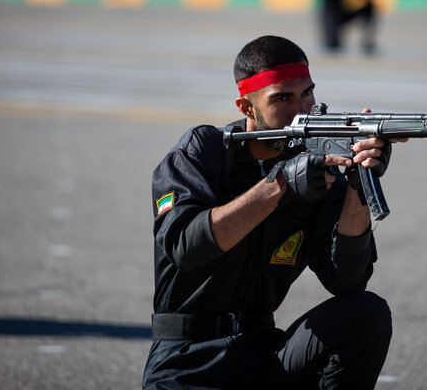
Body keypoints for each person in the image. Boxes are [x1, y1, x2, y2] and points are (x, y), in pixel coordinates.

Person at [142, 35, 399, 389]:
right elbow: (188, 247)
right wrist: (280, 187)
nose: (301, 109)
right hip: (186, 359)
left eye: (307, 93)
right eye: (282, 98)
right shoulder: (201, 152)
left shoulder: (316, 169)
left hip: (263, 355)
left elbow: (347, 281)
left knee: (365, 313)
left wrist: (357, 183)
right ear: (246, 107)